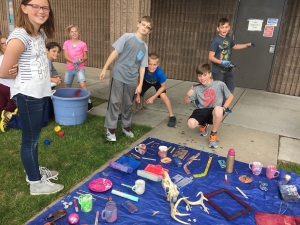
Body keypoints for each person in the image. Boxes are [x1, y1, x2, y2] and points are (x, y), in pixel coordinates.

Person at [0, 0, 63, 195]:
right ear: (24, 8)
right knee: (30, 140)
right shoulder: (19, 37)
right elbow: (4, 71)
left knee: (34, 138)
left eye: (45, 7)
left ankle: (33, 172)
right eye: (35, 6)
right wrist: (19, 70)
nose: (41, 11)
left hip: (39, 92)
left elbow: (33, 63)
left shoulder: (39, 33)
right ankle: (36, 184)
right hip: (28, 95)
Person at [99, 16, 153, 141]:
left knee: (128, 103)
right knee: (115, 101)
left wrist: (139, 85)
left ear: (149, 31)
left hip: (132, 78)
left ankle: (126, 126)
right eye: (143, 24)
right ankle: (110, 129)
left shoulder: (145, 47)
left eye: (148, 27)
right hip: (119, 74)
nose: (145, 28)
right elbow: (115, 53)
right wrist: (104, 68)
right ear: (138, 24)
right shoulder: (127, 37)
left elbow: (143, 67)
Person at [184, 63, 233, 149]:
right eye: (199, 76)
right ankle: (204, 124)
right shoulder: (196, 88)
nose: (202, 78)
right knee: (190, 124)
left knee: (218, 109)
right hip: (202, 111)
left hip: (215, 111)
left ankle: (213, 134)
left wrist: (224, 108)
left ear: (210, 74)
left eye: (204, 75)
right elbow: (186, 102)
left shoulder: (219, 84)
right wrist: (187, 95)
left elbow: (230, 96)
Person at [209, 17, 255, 94]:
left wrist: (247, 45)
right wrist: (221, 62)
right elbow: (210, 57)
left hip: (227, 68)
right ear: (218, 28)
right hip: (218, 70)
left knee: (231, 86)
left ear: (229, 28)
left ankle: (225, 104)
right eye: (222, 27)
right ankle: (214, 104)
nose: (224, 29)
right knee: (218, 89)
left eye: (226, 27)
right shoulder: (216, 41)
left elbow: (235, 46)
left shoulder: (228, 39)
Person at [135, 53, 176, 127]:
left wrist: (153, 97)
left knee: (163, 96)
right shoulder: (143, 69)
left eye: (154, 64)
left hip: (157, 83)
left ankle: (172, 116)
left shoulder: (160, 73)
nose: (152, 67)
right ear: (147, 63)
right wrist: (137, 95)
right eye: (150, 64)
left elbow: (163, 87)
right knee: (133, 93)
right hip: (146, 81)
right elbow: (138, 82)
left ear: (158, 64)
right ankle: (125, 113)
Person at [63, 25, 93, 111]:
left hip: (80, 68)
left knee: (82, 84)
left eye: (75, 31)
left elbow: (85, 57)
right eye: (72, 32)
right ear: (69, 34)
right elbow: (65, 56)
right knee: (67, 85)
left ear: (78, 33)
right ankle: (67, 101)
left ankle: (89, 102)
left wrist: (81, 60)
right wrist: (73, 61)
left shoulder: (82, 44)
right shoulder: (66, 43)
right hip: (69, 68)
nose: (74, 33)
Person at [0, 35, 19, 132]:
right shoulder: (8, 58)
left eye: (7, 42)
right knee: (15, 105)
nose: (6, 44)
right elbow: (3, 74)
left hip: (2, 86)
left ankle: (2, 113)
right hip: (9, 87)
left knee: (2, 105)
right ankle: (5, 114)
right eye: (3, 43)